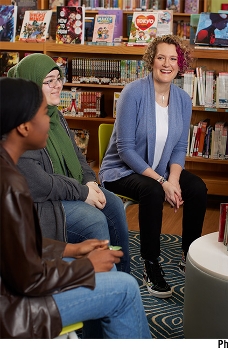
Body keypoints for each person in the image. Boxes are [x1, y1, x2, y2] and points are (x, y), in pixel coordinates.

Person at [0, 77, 151, 339]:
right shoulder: (11, 183)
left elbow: (16, 248)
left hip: (16, 288)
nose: (49, 120)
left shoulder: (8, 169)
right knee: (126, 288)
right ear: (24, 127)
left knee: (110, 268)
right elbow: (27, 280)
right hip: (15, 309)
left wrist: (72, 249)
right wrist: (86, 266)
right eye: (42, 114)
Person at [99, 35, 208, 299]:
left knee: (197, 188)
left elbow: (181, 148)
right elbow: (125, 149)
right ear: (151, 60)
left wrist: (173, 178)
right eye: (161, 57)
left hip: (158, 170)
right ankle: (151, 264)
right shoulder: (133, 92)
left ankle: (188, 255)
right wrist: (163, 183)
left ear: (180, 64)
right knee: (153, 192)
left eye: (173, 59)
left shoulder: (182, 99)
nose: (167, 64)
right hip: (122, 171)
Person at [7, 53, 130, 274]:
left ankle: (123, 275)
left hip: (67, 190)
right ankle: (102, 289)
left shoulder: (55, 115)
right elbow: (38, 185)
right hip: (41, 203)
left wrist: (91, 183)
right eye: (48, 81)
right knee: (94, 221)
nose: (57, 86)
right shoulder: (20, 123)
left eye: (58, 78)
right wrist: (82, 192)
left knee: (113, 204)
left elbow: (79, 156)